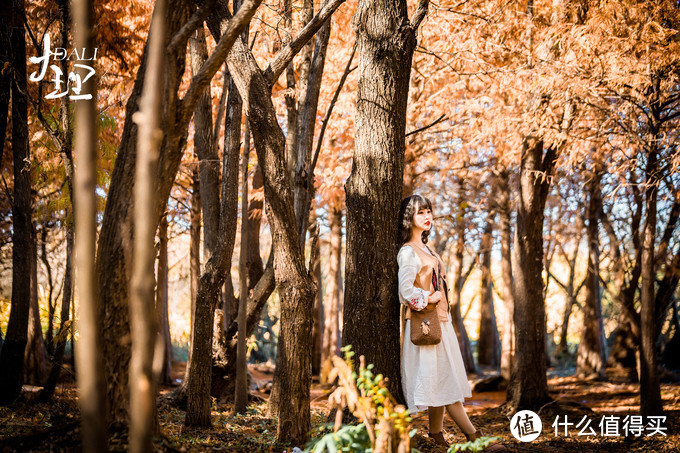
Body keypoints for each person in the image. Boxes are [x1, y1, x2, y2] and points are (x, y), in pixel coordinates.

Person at [397, 194, 504, 451]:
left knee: (441, 382)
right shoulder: (408, 252)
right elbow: (405, 292)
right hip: (424, 326)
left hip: (440, 323)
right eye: (420, 212)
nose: (427, 216)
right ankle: (476, 440)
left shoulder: (427, 249)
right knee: (447, 384)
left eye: (429, 211)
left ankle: (436, 436)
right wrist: (429, 297)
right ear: (409, 218)